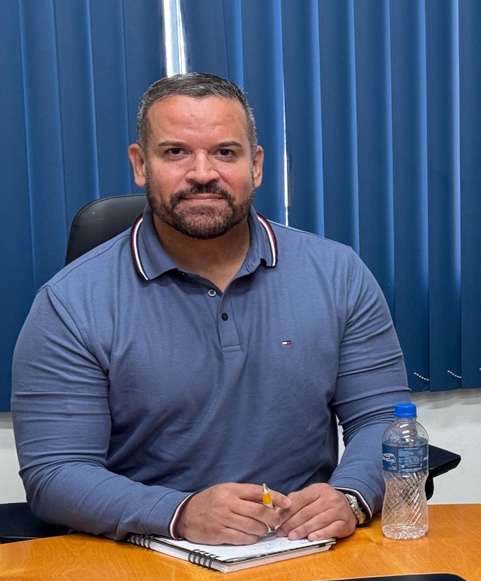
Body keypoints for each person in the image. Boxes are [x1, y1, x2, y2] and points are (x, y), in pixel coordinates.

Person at [12, 72, 410, 546]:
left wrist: (350, 496)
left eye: (225, 152)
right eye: (175, 152)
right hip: (150, 553)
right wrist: (177, 513)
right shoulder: (70, 303)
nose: (203, 173)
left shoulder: (337, 272)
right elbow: (55, 474)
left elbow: (383, 418)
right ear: (140, 165)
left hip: (305, 549)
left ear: (256, 166)